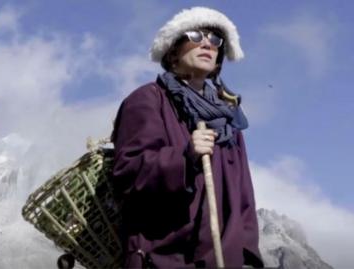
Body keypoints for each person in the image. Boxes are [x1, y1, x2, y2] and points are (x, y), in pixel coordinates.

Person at [110, 6, 264, 268]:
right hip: (163, 257)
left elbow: (243, 195)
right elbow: (127, 172)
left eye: (216, 39)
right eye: (195, 35)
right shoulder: (148, 100)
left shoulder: (229, 118)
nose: (207, 43)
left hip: (222, 258)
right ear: (172, 51)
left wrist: (247, 253)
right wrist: (185, 156)